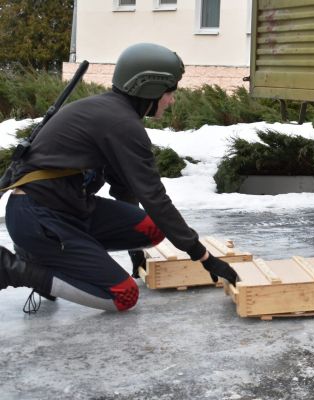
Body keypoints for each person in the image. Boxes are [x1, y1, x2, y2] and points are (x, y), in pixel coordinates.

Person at [0, 43, 238, 313]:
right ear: (149, 87)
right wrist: (202, 255)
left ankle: (57, 257)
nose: (171, 100)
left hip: (67, 208)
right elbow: (154, 197)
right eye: (169, 92)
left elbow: (126, 188)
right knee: (123, 296)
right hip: (40, 219)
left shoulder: (111, 112)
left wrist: (134, 248)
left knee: (151, 229)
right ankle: (15, 269)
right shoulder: (120, 123)